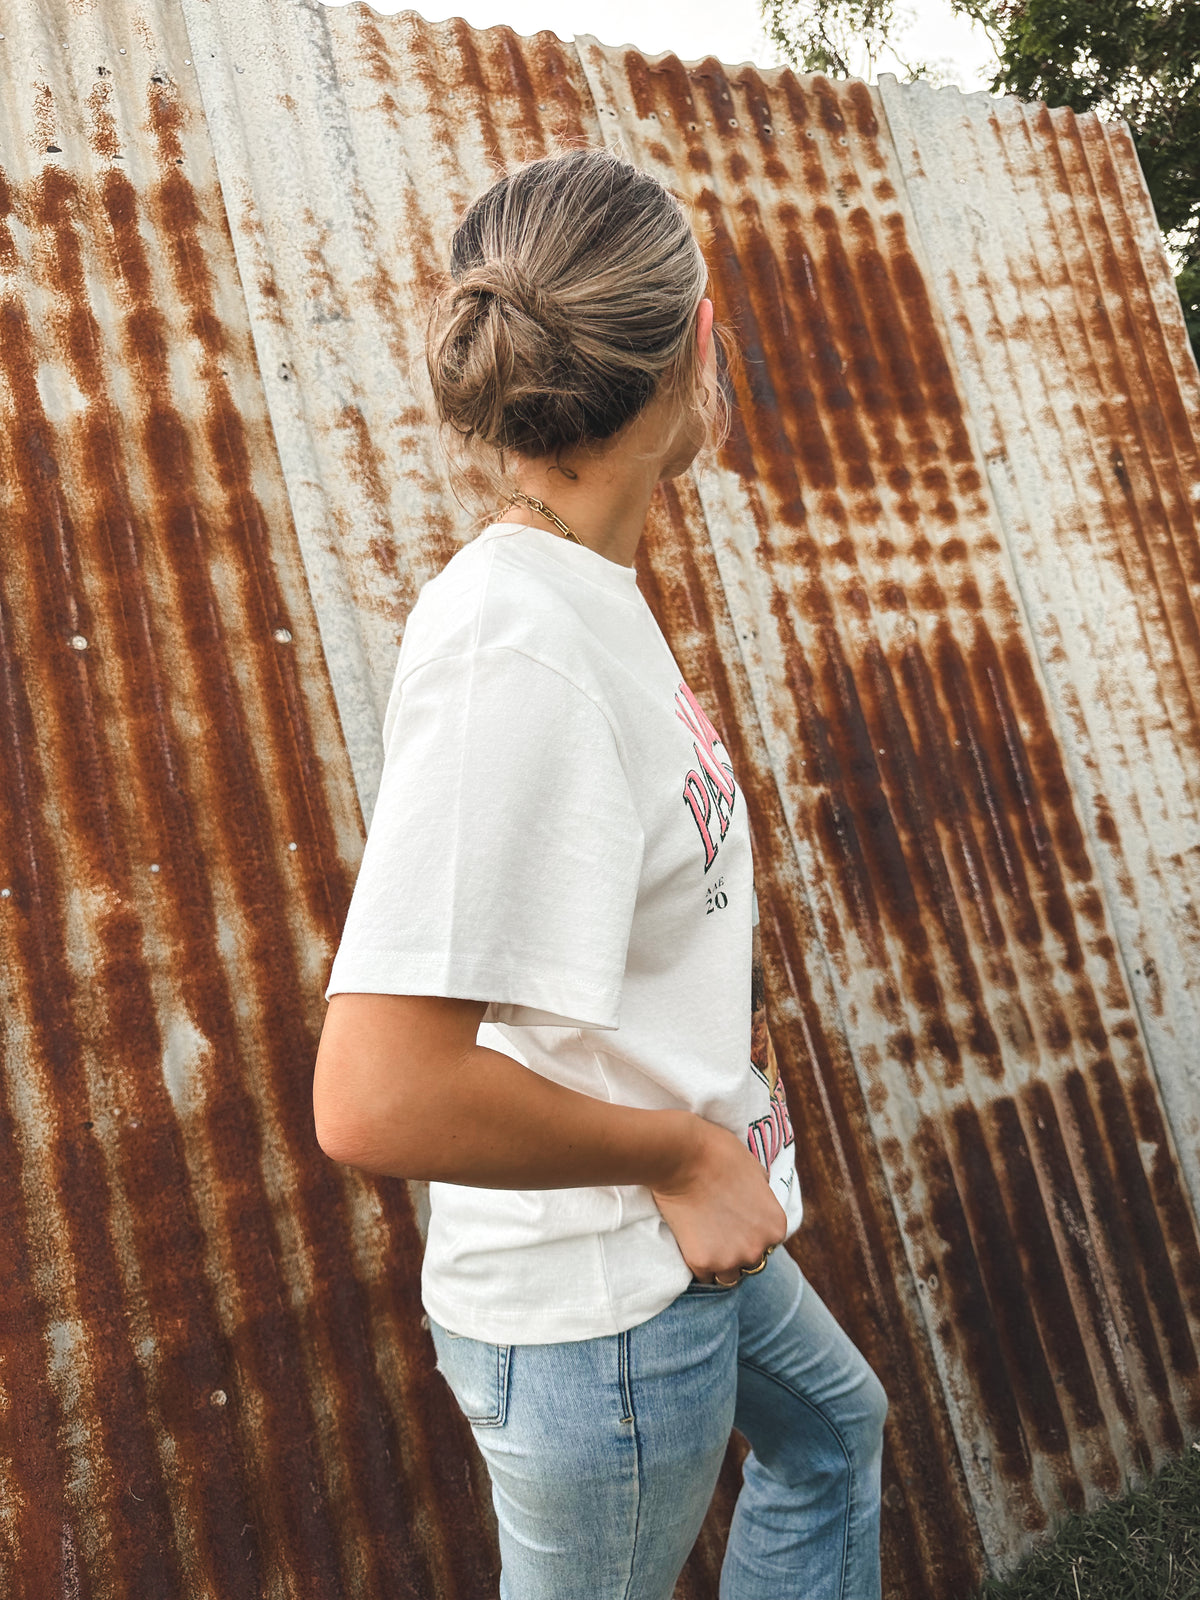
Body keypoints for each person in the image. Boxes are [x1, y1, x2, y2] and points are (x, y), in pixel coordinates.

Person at [313, 146, 888, 1600]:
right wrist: (686, 1156)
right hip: (599, 1309)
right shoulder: (517, 644)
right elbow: (377, 1095)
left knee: (837, 1437)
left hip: (674, 1248)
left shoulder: (581, 596)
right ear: (703, 344)